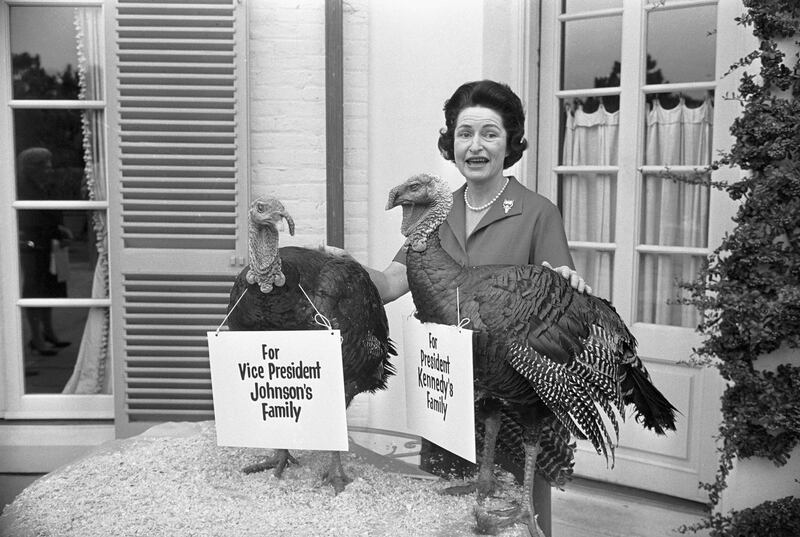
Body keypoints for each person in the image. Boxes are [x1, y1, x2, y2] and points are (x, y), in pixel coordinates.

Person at [352, 79, 591, 537]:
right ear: (450, 142)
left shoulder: (537, 212)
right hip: (445, 392)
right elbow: (390, 282)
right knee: (447, 518)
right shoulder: (437, 211)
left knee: (513, 521)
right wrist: (343, 270)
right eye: (464, 133)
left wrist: (570, 284)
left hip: (513, 397)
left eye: (489, 133)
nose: (475, 146)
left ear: (510, 143)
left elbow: (562, 290)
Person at [17, 147, 72, 357]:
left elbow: (53, 212)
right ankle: (37, 338)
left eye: (49, 164)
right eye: (44, 165)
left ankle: (48, 332)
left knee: (51, 287)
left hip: (52, 242)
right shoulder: (22, 189)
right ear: (32, 168)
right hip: (34, 244)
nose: (50, 169)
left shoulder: (46, 186)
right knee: (34, 288)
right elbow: (30, 219)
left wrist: (61, 229)